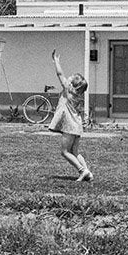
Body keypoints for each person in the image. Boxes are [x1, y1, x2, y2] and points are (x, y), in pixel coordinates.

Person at [48, 48, 92, 182]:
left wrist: (56, 61)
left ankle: (82, 170)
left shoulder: (68, 90)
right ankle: (88, 173)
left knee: (65, 151)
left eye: (71, 78)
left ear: (72, 84)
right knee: (75, 152)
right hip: (77, 125)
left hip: (69, 126)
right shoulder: (79, 96)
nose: (69, 78)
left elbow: (60, 74)